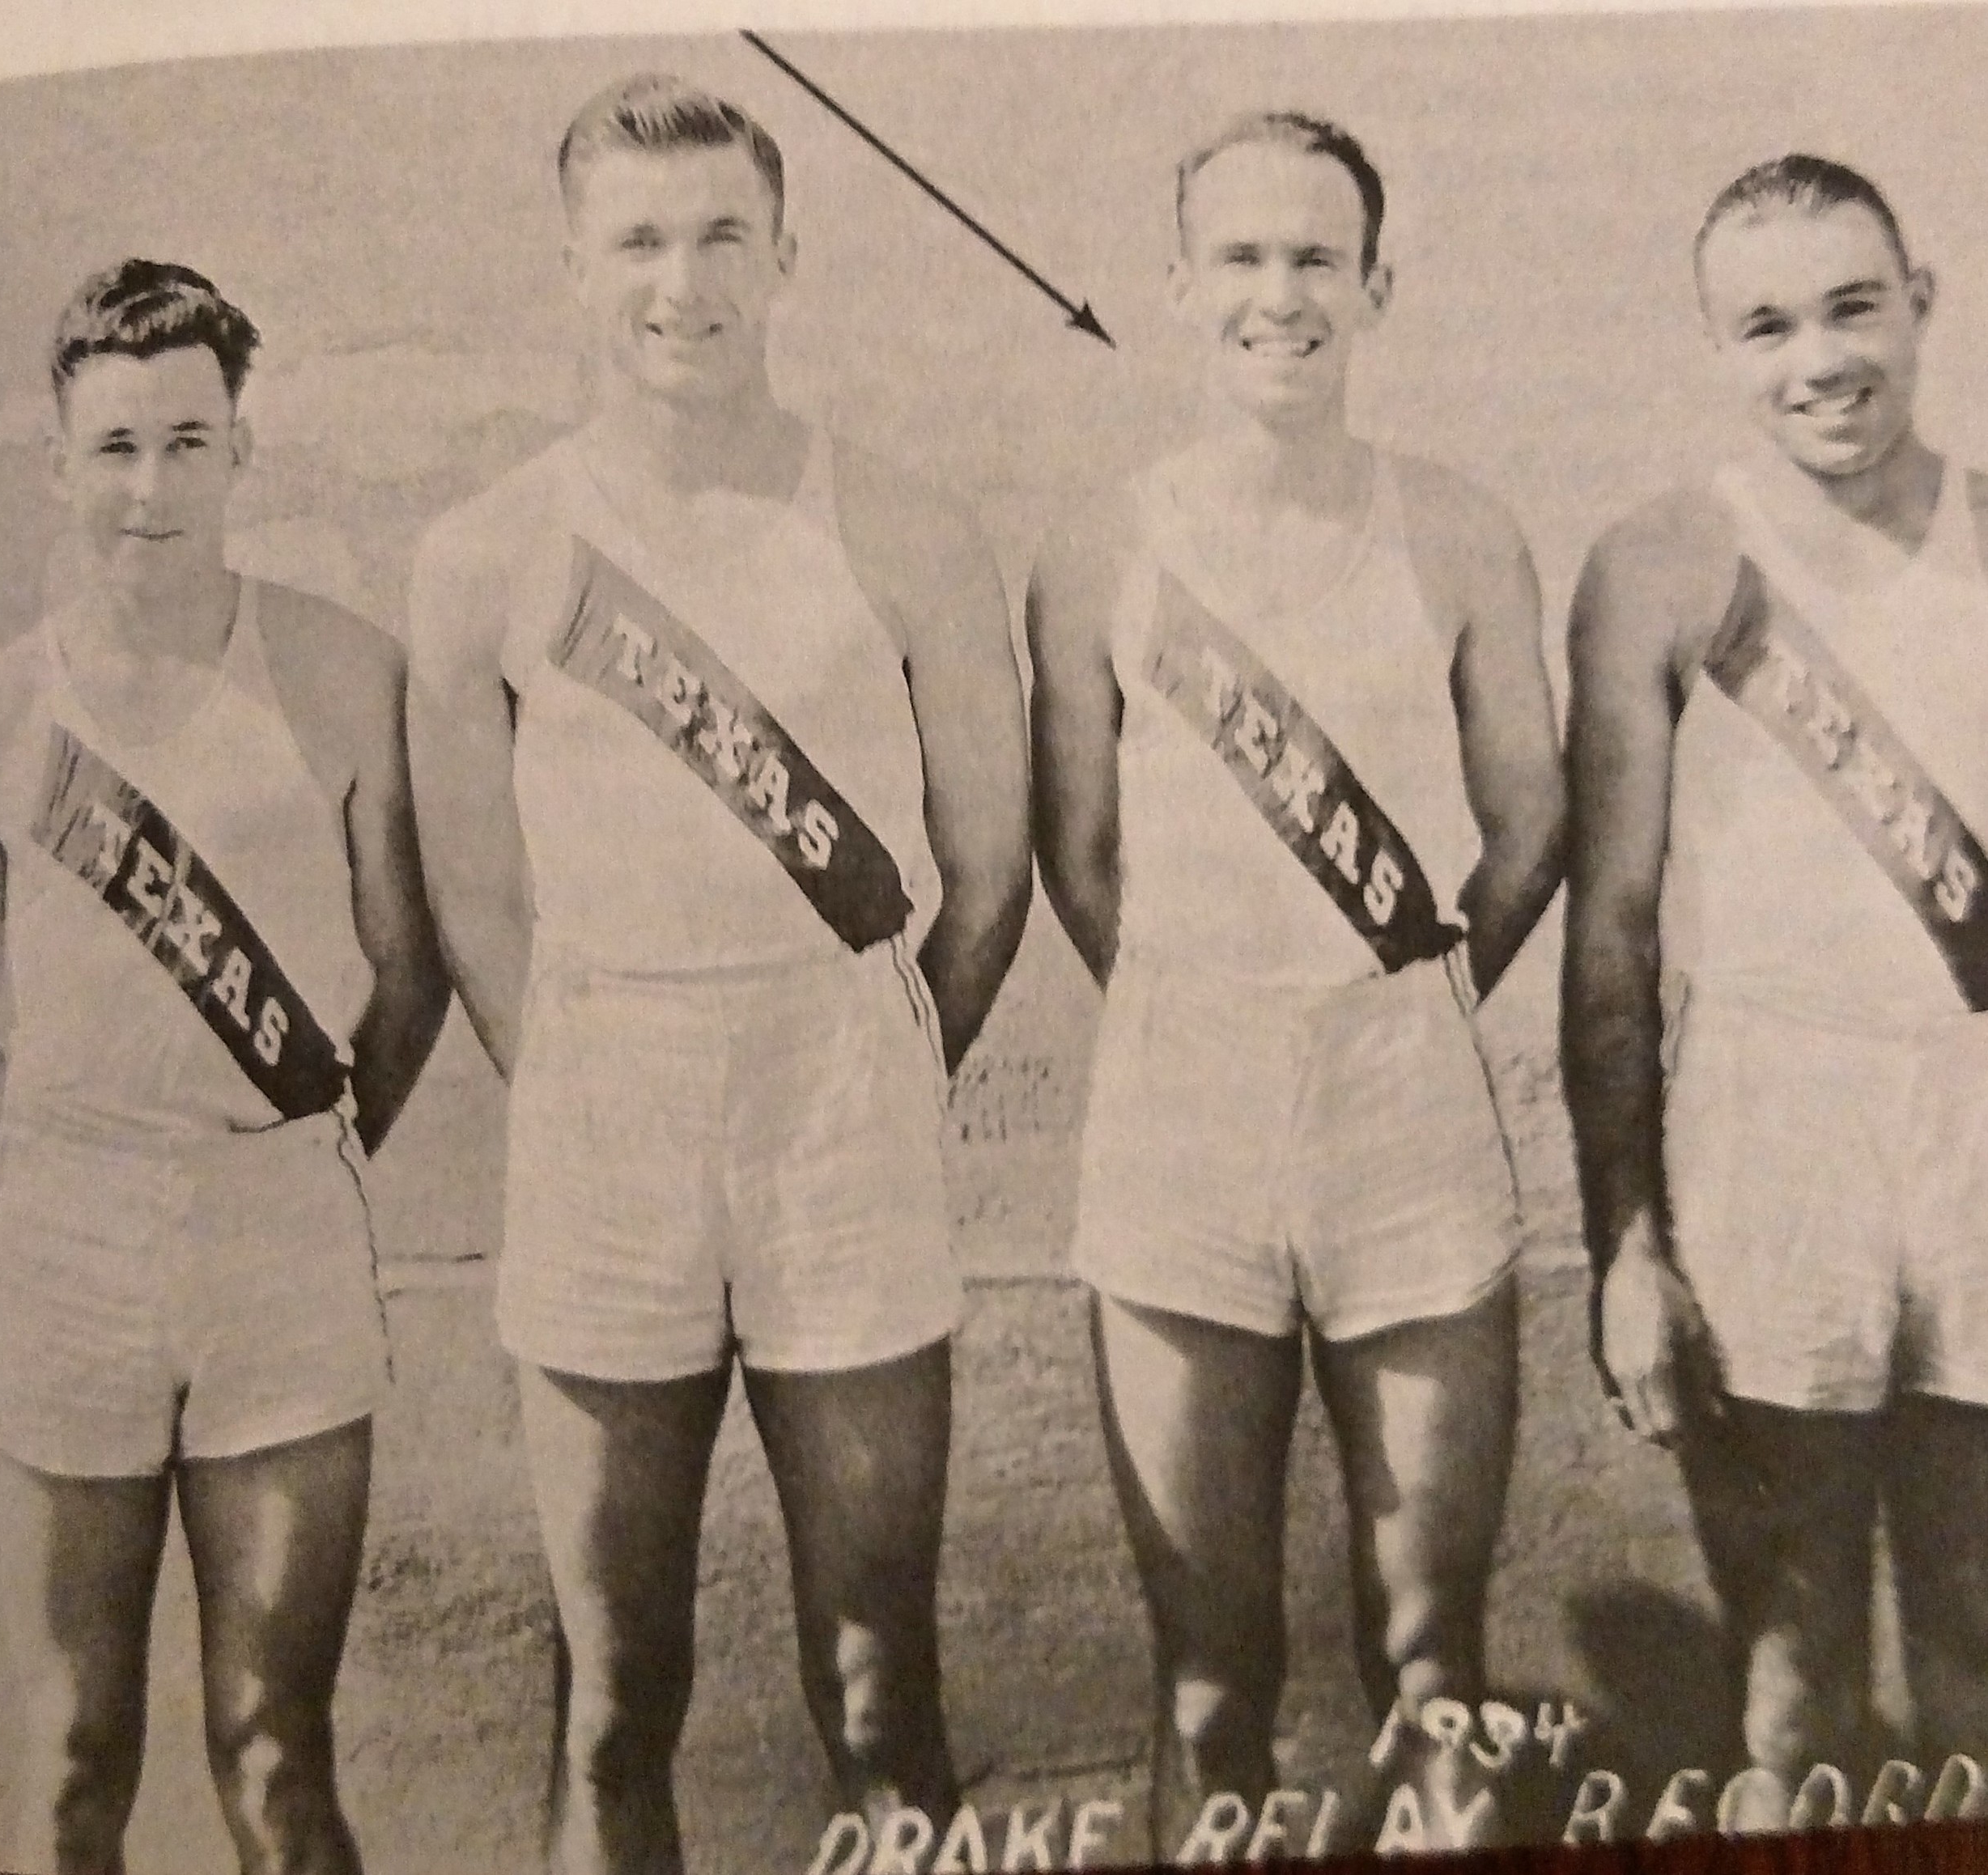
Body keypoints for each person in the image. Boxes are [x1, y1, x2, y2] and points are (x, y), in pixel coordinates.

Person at [405, 74, 1032, 1875]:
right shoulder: (485, 553)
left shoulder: (906, 525)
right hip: (608, 1094)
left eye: (720, 238)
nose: (681, 283)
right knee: (614, 1697)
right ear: (572, 269)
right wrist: (598, 1090)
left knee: (880, 1689)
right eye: (637, 241)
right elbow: (480, 913)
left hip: (838, 1085)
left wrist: (885, 1063)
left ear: (782, 257)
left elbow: (980, 879)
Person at [1027, 111, 1565, 1855]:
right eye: (1242, 260)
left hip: (1400, 1103)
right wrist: (1209, 1002)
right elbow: (1081, 858)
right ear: (1181, 289)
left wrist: (1397, 1003)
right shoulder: (1101, 546)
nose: (1280, 296)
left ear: (1375, 283)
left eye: (1315, 259)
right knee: (1207, 1682)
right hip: (1179, 1101)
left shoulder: (1459, 530)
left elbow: (1530, 816)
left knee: (1433, 1663)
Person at [0, 259, 450, 1875]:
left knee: (274, 1750)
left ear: (242, 448)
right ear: (54, 462)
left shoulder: (343, 671)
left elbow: (408, 968)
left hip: (278, 1233)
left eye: (188, 441)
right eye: (114, 448)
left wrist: (299, 1152)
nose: (151, 487)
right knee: (70, 1756)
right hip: (67, 1225)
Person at [1563, 154, 1988, 1814]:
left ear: (1919, 306)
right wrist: (1627, 1243)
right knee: (1789, 1671)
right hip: (1763, 1127)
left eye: (1850, 307)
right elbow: (1607, 933)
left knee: (1974, 1648)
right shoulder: (1661, 564)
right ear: (1714, 349)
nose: (1816, 357)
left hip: (1972, 1120)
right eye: (1764, 324)